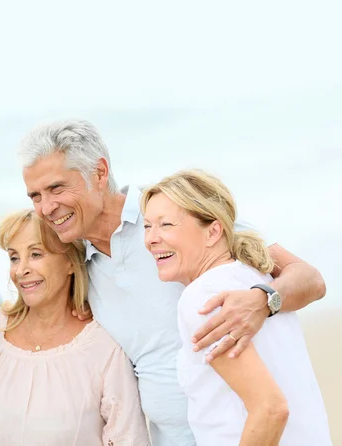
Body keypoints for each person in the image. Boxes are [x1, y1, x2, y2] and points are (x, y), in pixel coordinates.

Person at [18, 119, 326, 445]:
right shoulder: (77, 265)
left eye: (56, 188)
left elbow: (310, 279)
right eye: (35, 196)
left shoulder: (174, 217)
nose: (46, 207)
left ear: (99, 173)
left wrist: (264, 300)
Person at [141, 169, 331, 445]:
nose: (151, 239)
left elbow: (271, 409)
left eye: (166, 225)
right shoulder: (261, 276)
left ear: (213, 231)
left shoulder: (202, 298)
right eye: (147, 226)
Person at [0, 209, 150, 445]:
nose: (21, 270)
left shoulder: (103, 346)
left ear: (70, 261)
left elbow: (128, 438)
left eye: (36, 254)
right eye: (14, 257)